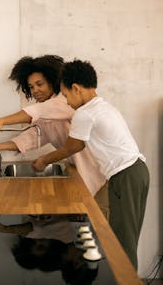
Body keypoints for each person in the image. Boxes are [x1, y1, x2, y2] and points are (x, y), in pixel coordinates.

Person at [32, 59, 150, 270]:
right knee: (128, 237)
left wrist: (43, 160)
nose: (66, 102)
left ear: (76, 88)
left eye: (66, 95)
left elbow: (71, 147)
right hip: (139, 171)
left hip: (125, 176)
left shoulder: (85, 113)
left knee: (121, 243)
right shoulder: (103, 106)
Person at [0, 55, 106, 198]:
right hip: (82, 172)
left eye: (40, 84)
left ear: (52, 82)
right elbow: (33, 136)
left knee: (101, 217)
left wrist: (1, 121)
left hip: (99, 174)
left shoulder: (63, 101)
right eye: (31, 87)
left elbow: (38, 111)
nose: (35, 91)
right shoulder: (48, 112)